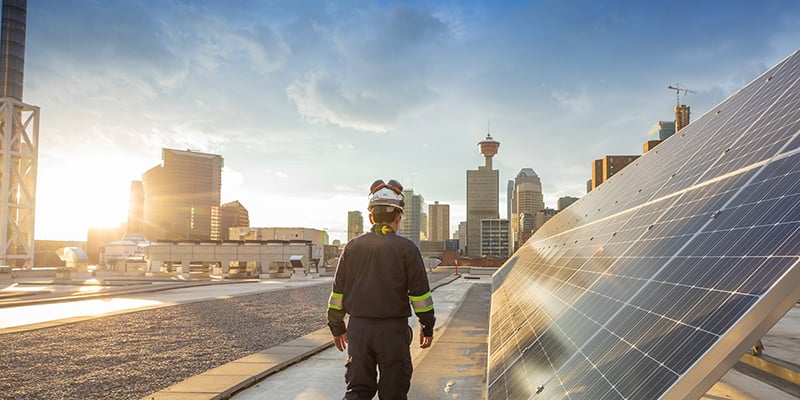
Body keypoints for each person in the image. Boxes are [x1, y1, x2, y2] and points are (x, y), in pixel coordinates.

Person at [327, 179, 436, 400]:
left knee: (357, 390)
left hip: (358, 330)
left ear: (371, 217)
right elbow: (420, 296)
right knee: (393, 393)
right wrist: (427, 326)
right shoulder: (407, 249)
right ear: (399, 216)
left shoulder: (352, 247)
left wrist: (337, 326)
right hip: (392, 332)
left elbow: (338, 293)